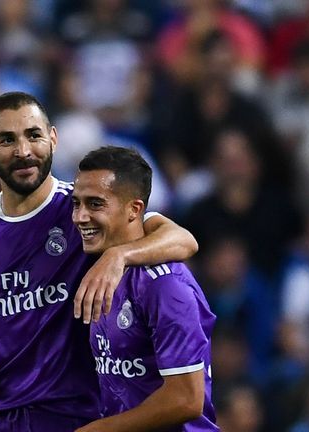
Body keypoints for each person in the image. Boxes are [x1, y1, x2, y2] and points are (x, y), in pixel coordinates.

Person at [0, 92, 198, 431]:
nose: (23, 151)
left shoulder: (85, 211)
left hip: (75, 419)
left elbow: (183, 239)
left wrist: (118, 255)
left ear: (52, 138)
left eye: (33, 135)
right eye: (7, 140)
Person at [71, 146, 217, 431]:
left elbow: (187, 399)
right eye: (77, 204)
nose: (80, 216)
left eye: (95, 204)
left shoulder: (165, 286)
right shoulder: (104, 269)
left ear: (134, 209)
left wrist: (101, 429)